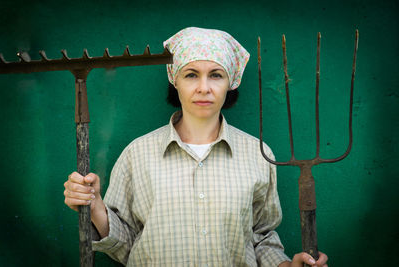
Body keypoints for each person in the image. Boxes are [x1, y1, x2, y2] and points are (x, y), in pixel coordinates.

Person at [64, 27, 328, 267]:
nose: (204, 88)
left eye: (216, 75)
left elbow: (261, 237)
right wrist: (95, 204)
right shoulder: (138, 153)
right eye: (191, 75)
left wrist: (286, 266)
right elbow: (126, 243)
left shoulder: (258, 154)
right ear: (175, 80)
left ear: (231, 82)